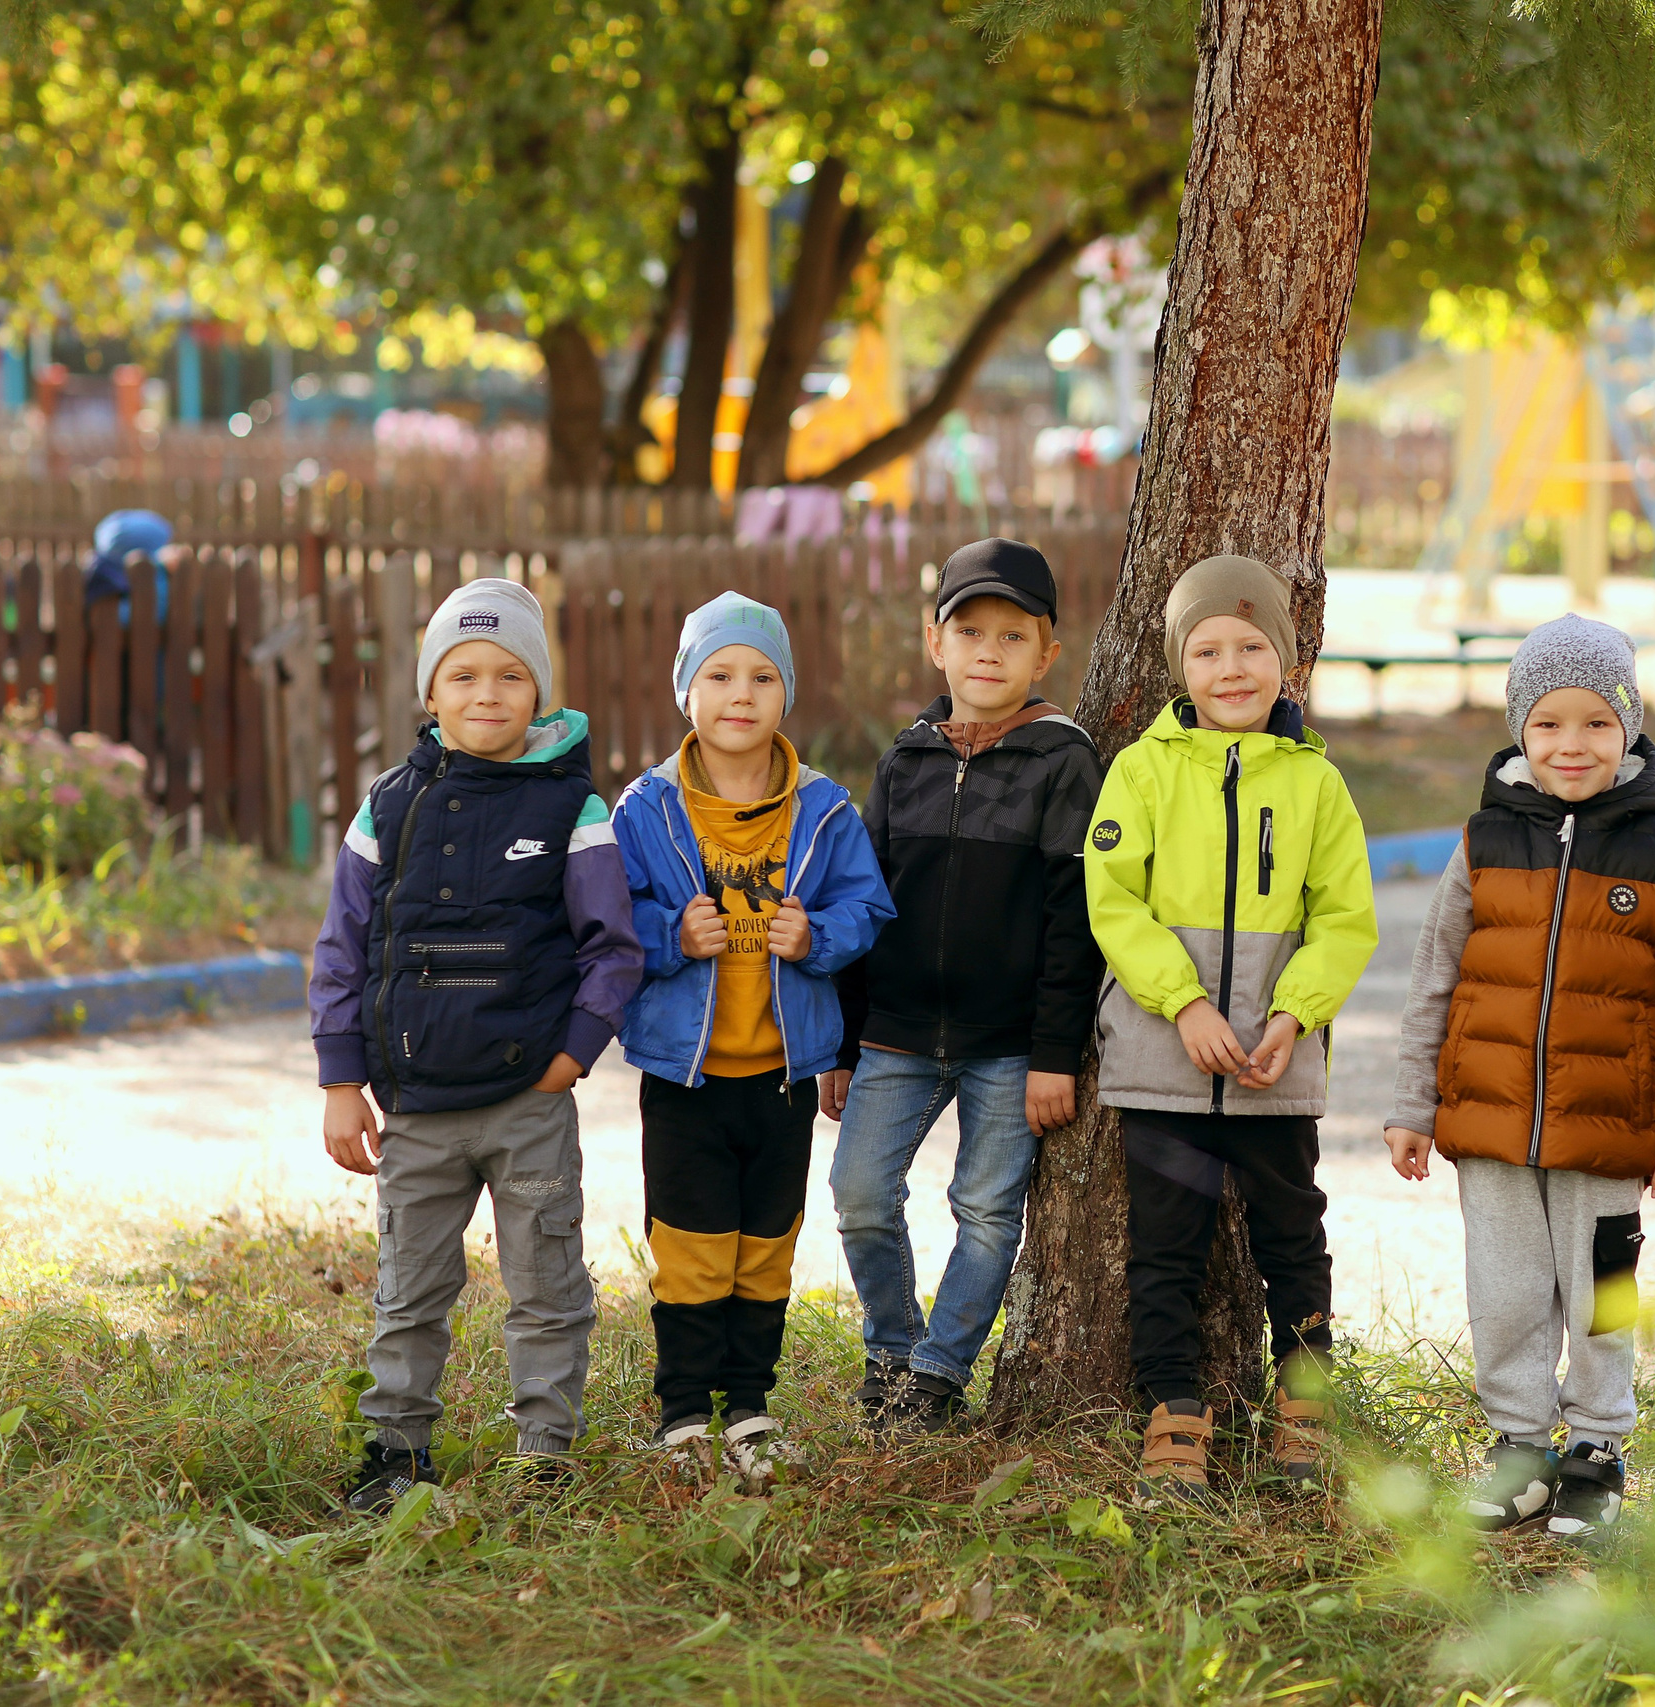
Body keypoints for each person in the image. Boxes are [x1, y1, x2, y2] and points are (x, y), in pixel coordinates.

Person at [1381, 615, 1655, 1542]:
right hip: (1489, 1127)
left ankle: (1601, 1449)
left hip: (1612, 1133)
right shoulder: (1485, 839)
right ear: (1519, 732)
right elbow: (1434, 973)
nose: (1571, 745)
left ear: (1629, 730)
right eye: (1549, 725)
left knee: (1606, 1292)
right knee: (1504, 1294)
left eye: (1595, 724)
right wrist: (1415, 1101)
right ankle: (1520, 1449)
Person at [308, 578, 642, 1515]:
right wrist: (342, 1080)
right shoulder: (389, 809)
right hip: (414, 1111)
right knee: (409, 1290)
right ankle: (394, 1450)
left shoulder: (572, 809)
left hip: (528, 1105)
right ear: (430, 692)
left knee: (545, 1282)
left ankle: (546, 1450)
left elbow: (612, 949)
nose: (486, 692)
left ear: (539, 691)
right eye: (462, 674)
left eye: (509, 675)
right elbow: (341, 948)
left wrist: (572, 1055)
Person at [1083, 554, 1379, 1501]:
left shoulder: (1316, 784)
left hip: (1271, 1063)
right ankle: (1174, 1421)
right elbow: (1113, 902)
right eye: (1207, 649)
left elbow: (1343, 918)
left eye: (1252, 646)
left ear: (1285, 661)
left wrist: (1294, 1015)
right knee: (1164, 1247)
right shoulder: (1142, 771)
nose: (1231, 667)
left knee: (1293, 1237)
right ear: (1181, 665)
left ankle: (1305, 1410)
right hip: (1166, 1061)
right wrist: (1186, 1002)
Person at [610, 592, 894, 1479]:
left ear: (787, 694)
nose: (742, 692)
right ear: (686, 693)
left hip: (782, 1073)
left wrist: (819, 937)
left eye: (763, 676)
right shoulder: (648, 808)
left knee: (766, 1247)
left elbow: (869, 906)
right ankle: (685, 1411)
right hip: (686, 1078)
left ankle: (751, 1407)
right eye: (720, 674)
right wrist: (670, 936)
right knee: (692, 1248)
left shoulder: (824, 809)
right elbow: (609, 920)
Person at [826, 539, 1104, 1433]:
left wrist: (1056, 1053)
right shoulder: (904, 760)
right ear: (934, 642)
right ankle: (892, 1348)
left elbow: (1076, 919)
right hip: (897, 1033)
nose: (989, 651)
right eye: (970, 630)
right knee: (861, 1192)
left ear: (1046, 654)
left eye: (1013, 636)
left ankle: (936, 1378)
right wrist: (843, 1039)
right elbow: (860, 907)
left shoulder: (1063, 762)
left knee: (986, 1210)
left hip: (1010, 1042)